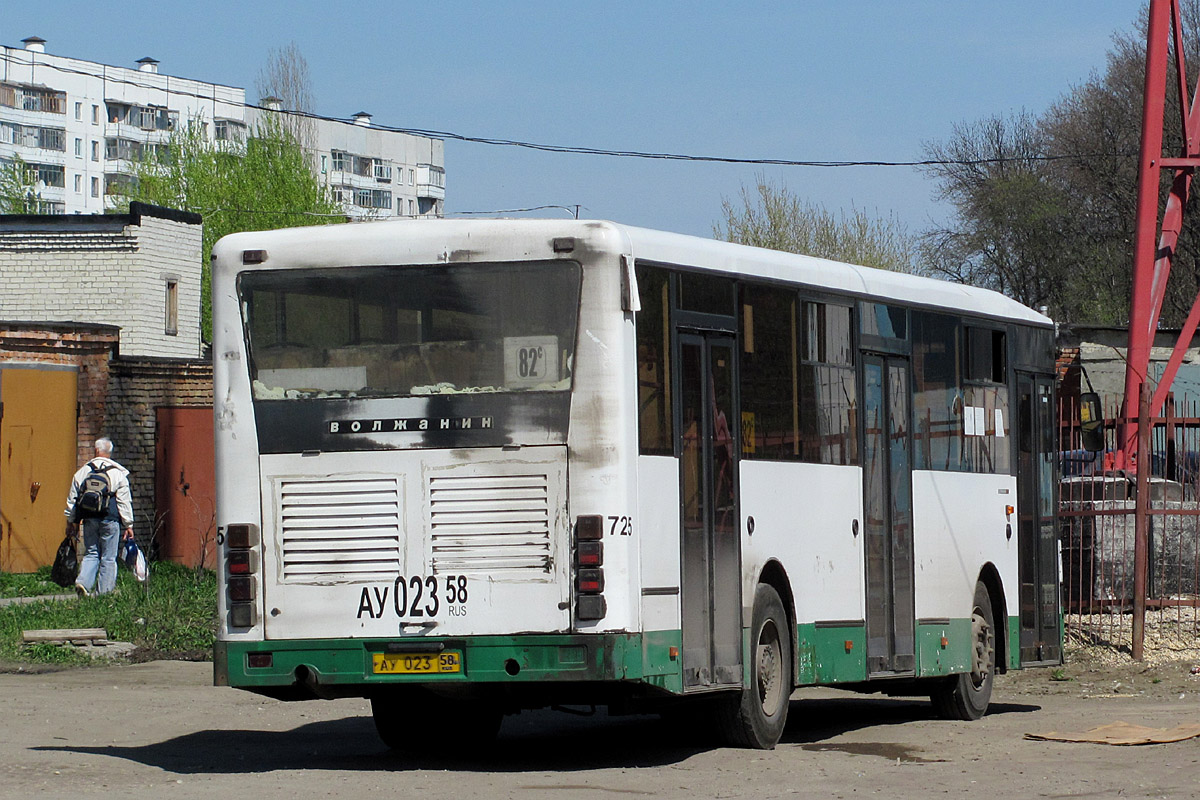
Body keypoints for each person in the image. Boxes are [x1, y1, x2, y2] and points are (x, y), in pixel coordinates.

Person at [64, 437, 134, 597]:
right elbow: (124, 501)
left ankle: (83, 582)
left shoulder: (83, 472)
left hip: (89, 518)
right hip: (110, 519)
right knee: (109, 557)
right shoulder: (118, 473)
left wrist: (71, 522)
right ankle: (103, 593)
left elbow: (72, 499)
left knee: (91, 552)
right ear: (110, 452)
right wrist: (129, 525)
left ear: (96, 451)